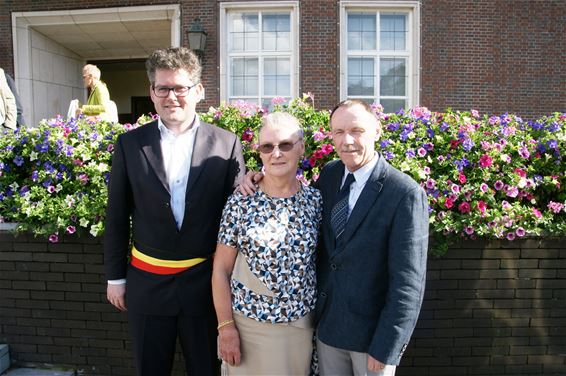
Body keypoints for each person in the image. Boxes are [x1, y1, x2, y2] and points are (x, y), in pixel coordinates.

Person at [240, 99, 429, 375]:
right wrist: (257, 176)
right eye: (338, 132)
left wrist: (387, 346)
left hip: (371, 341)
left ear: (377, 130)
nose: (347, 140)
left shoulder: (404, 194)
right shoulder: (330, 176)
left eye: (356, 130)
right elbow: (291, 194)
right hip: (328, 331)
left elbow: (408, 284)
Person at [104, 47, 245, 376]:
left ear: (198, 91)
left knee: (206, 370)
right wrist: (115, 277)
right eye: (162, 88)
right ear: (152, 93)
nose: (171, 96)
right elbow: (116, 216)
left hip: (205, 287)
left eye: (179, 87)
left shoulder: (226, 144)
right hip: (147, 284)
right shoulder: (130, 144)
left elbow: (237, 218)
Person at [213, 112, 322, 375]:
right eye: (267, 147)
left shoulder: (316, 201)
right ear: (259, 153)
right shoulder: (241, 202)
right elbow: (220, 270)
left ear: (301, 148)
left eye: (285, 144)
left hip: (299, 327)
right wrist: (226, 327)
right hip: (247, 329)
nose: (276, 153)